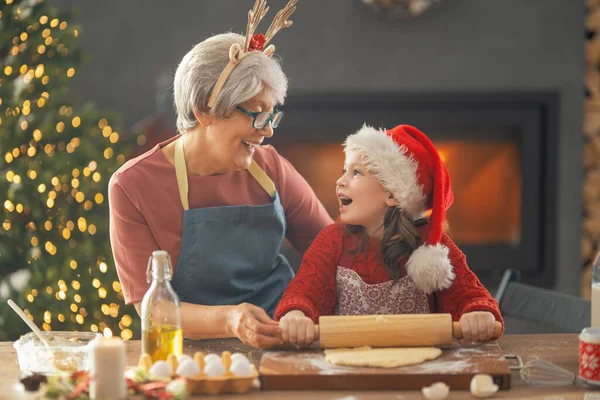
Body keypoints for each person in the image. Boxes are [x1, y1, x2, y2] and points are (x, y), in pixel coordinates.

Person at [108, 0, 333, 348]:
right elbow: (153, 311)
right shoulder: (133, 186)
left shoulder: (269, 166)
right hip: (193, 350)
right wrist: (230, 318)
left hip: (284, 337)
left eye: (272, 115)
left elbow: (330, 252)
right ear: (204, 111)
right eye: (256, 114)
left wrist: (299, 308)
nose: (268, 130)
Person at [275, 124, 504, 348]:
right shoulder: (332, 240)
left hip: (419, 372)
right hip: (348, 369)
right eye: (344, 170)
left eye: (356, 172)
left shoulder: (431, 247)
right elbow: (305, 292)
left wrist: (478, 313)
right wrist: (296, 313)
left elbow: (471, 296)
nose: (340, 180)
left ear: (393, 194)